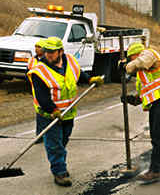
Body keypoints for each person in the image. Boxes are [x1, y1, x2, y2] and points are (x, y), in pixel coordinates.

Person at [27, 37, 104, 187]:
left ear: (61, 51)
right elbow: (41, 97)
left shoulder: (69, 60)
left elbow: (78, 74)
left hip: (68, 112)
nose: (48, 55)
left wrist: (90, 80)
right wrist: (53, 110)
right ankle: (59, 172)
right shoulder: (39, 71)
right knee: (54, 144)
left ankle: (59, 163)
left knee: (63, 141)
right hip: (49, 114)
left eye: (52, 52)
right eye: (47, 52)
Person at [119, 42, 160, 184]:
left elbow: (139, 63)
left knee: (158, 136)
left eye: (131, 58)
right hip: (157, 103)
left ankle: (154, 171)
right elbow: (144, 95)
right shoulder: (142, 74)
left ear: (136, 54)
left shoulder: (149, 54)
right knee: (157, 136)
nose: (132, 61)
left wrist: (125, 66)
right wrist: (131, 99)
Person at [27, 39, 47, 143]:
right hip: (36, 90)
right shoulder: (31, 60)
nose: (36, 49)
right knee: (39, 112)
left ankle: (44, 135)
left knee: (45, 112)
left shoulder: (49, 60)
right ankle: (40, 135)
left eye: (39, 47)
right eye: (36, 46)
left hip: (47, 89)